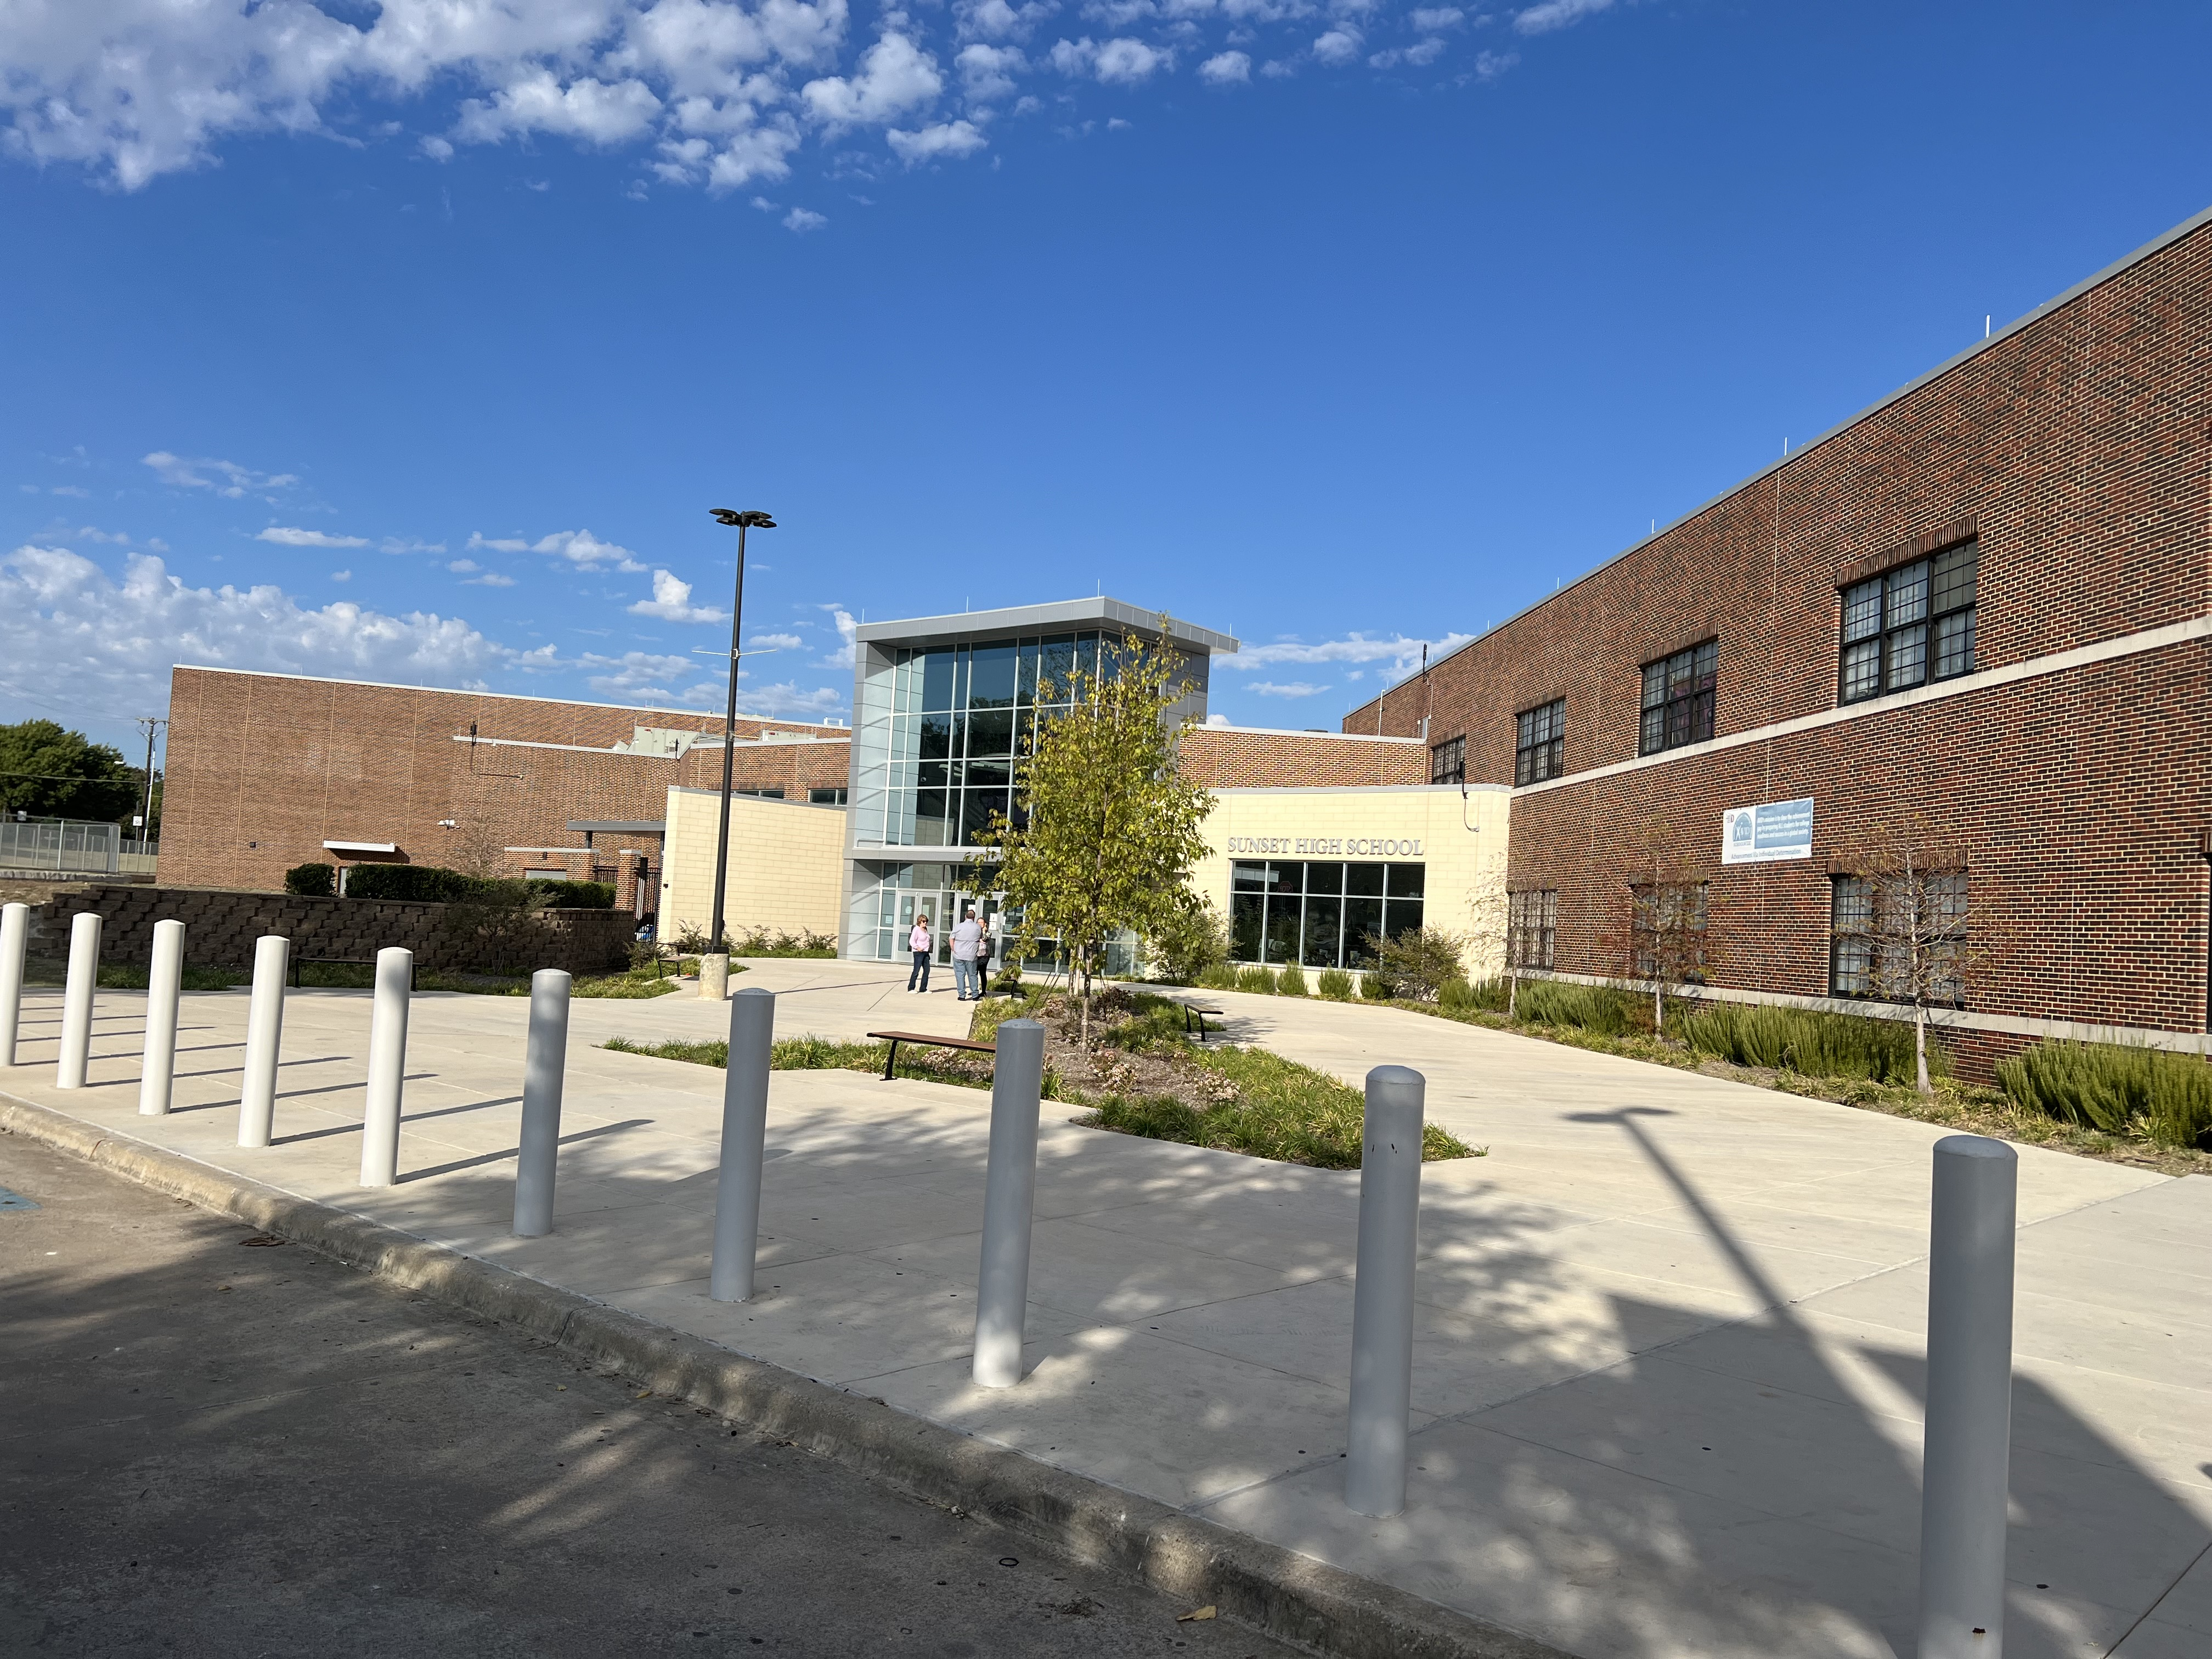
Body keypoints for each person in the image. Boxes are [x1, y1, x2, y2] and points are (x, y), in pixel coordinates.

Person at [950, 907, 985, 1001]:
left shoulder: (958, 926)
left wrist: (953, 949)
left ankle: (962, 995)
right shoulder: (978, 927)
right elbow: (982, 937)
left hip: (959, 954)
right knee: (972, 975)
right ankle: (975, 995)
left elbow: (951, 938)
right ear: (974, 918)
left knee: (960, 975)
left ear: (966, 917)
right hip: (971, 955)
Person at [907, 913, 933, 992]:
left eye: (926, 922)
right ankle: (911, 988)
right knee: (917, 970)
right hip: (919, 952)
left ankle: (923, 988)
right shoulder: (917, 929)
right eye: (924, 921)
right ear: (920, 922)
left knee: (927, 970)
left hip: (926, 952)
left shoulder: (925, 930)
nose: (925, 923)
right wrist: (918, 948)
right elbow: (912, 941)